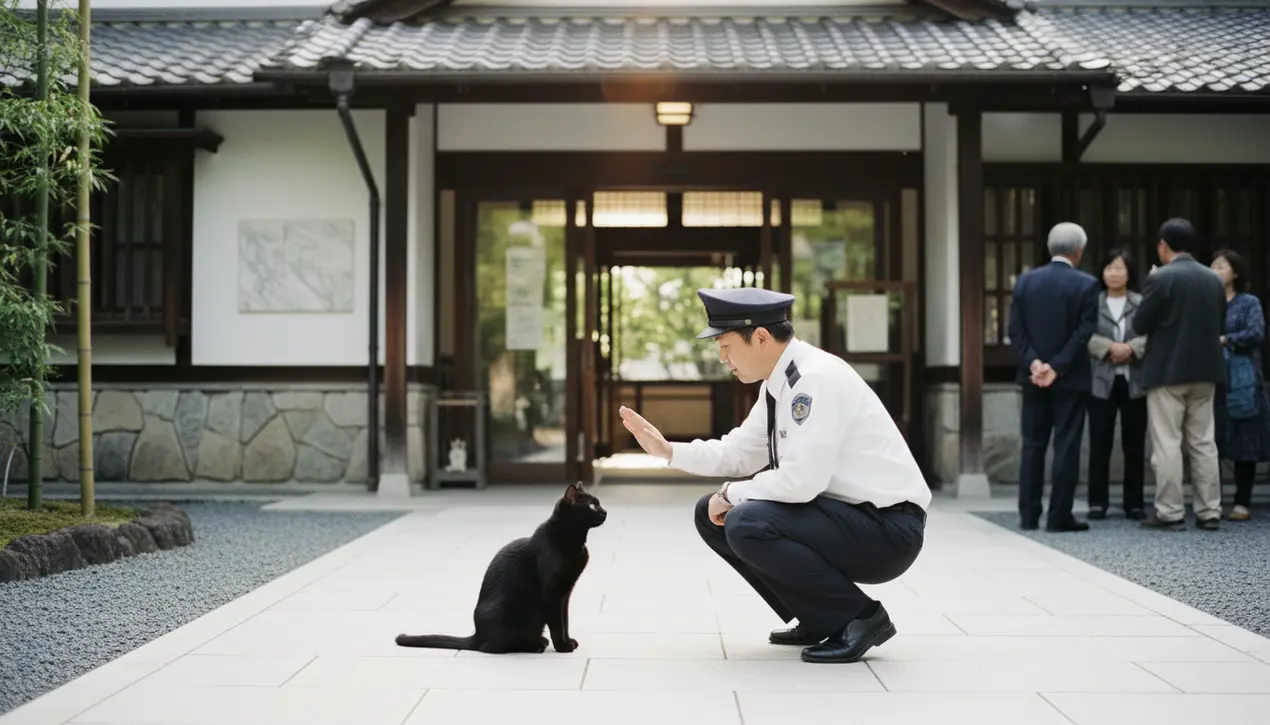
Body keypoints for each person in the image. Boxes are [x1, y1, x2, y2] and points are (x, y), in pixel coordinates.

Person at [617, 287, 930, 665]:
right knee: (711, 514)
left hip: (887, 530)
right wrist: (669, 451)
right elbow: (739, 452)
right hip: (851, 518)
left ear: (761, 338)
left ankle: (860, 618)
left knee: (746, 519)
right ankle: (821, 616)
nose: (722, 359)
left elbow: (801, 482)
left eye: (726, 346)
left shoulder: (813, 380)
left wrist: (731, 494)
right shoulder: (779, 382)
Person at [1132, 218, 1227, 531]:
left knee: (1168, 443)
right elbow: (1220, 321)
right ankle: (1210, 510)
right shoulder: (1213, 279)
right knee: (1203, 442)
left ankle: (1170, 512)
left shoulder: (1161, 279)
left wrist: (1151, 284)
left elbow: (1140, 324)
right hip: (1206, 369)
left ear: (1163, 244)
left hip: (1167, 371)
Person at [1006, 222, 1100, 532]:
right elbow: (1084, 332)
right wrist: (1056, 367)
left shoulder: (1025, 282)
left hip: (1032, 377)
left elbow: (1015, 330)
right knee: (1066, 444)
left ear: (1050, 248)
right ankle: (1059, 516)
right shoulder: (1086, 284)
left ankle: (1029, 516)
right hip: (1070, 378)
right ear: (1078, 251)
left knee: (1032, 445)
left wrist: (1035, 363)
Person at [1085, 248, 1149, 521]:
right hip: (1101, 380)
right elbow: (1084, 332)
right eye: (1109, 268)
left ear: (1129, 273)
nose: (1114, 273)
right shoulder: (1092, 302)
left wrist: (1131, 348)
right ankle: (1097, 502)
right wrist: (1110, 347)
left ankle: (1133, 503)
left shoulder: (1141, 302)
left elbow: (1152, 333)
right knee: (1100, 442)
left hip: (1134, 380)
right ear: (1102, 272)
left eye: (1119, 268)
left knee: (1134, 445)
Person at [1210, 249, 1269, 522]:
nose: (1216, 270)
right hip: (1212, 377)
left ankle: (1242, 501)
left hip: (1243, 378)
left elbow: (1256, 333)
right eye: (1213, 265)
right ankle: (1213, 500)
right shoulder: (1206, 299)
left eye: (1222, 266)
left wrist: (1225, 340)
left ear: (1235, 272)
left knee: (1246, 438)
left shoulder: (1248, 302)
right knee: (1212, 440)